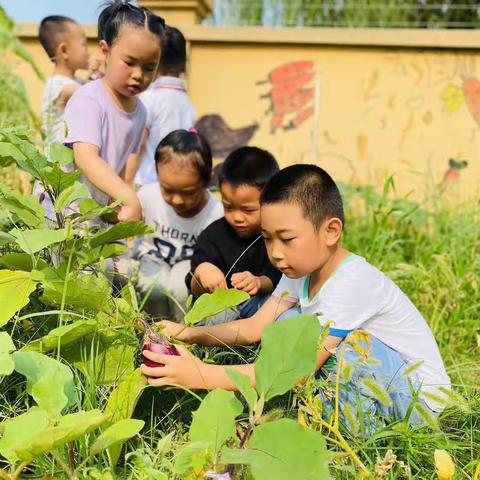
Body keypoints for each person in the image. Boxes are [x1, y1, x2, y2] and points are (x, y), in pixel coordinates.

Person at [142, 164, 451, 430]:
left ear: (331, 231)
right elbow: (253, 328)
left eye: (287, 239)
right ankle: (326, 415)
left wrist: (200, 373)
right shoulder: (300, 272)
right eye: (267, 239)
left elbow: (298, 372)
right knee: (288, 322)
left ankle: (361, 432)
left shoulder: (352, 283)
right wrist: (187, 333)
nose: (275, 254)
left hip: (416, 403)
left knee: (337, 348)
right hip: (379, 381)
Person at [63, 0, 164, 221]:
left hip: (95, 215)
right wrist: (128, 197)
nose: (139, 74)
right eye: (129, 62)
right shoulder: (89, 99)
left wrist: (117, 204)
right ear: (105, 51)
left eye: (149, 67)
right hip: (64, 215)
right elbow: (86, 157)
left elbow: (119, 166)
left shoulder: (140, 112)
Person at [134, 129, 223, 320]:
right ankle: (155, 331)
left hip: (190, 267)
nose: (177, 200)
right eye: (167, 190)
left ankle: (183, 334)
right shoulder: (146, 197)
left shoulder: (216, 214)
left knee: (181, 286)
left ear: (206, 181)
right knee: (153, 286)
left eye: (188, 192)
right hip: (152, 259)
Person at [187, 146, 282, 324]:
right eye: (228, 207)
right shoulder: (213, 236)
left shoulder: (279, 235)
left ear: (273, 200)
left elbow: (282, 276)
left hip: (263, 306)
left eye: (248, 210)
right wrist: (203, 271)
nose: (237, 218)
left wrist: (260, 282)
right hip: (223, 312)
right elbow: (194, 290)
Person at [134, 25, 196, 186]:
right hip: (175, 185)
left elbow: (137, 147)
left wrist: (126, 184)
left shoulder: (149, 99)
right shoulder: (187, 103)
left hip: (146, 185)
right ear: (184, 61)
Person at [38, 15, 91, 147]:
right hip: (59, 165)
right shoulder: (58, 85)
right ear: (64, 50)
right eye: (84, 45)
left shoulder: (75, 81)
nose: (88, 52)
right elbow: (89, 94)